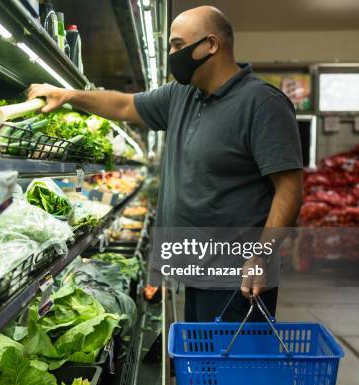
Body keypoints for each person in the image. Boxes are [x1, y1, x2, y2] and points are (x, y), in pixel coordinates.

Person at [28, 6, 303, 321]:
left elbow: (290, 190)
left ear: (211, 44)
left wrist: (261, 257)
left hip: (236, 276)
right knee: (201, 363)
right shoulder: (182, 94)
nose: (172, 54)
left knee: (230, 366)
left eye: (177, 45)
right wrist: (68, 95)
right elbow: (124, 104)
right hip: (193, 266)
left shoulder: (262, 103)